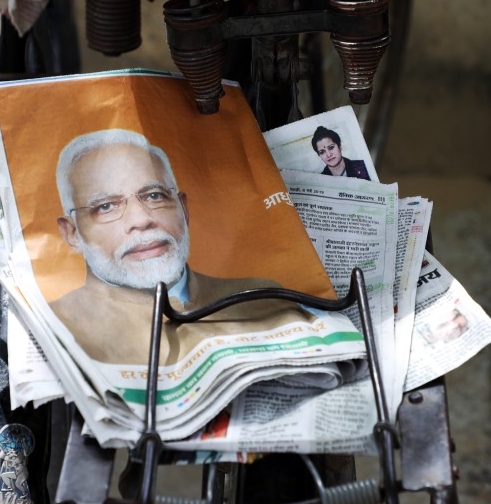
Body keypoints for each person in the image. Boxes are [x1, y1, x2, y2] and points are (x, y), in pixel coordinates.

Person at [52, 129, 325, 366]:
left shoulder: (263, 297)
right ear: (72, 233)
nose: (142, 220)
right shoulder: (54, 325)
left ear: (183, 208)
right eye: (107, 206)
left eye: (155, 195)